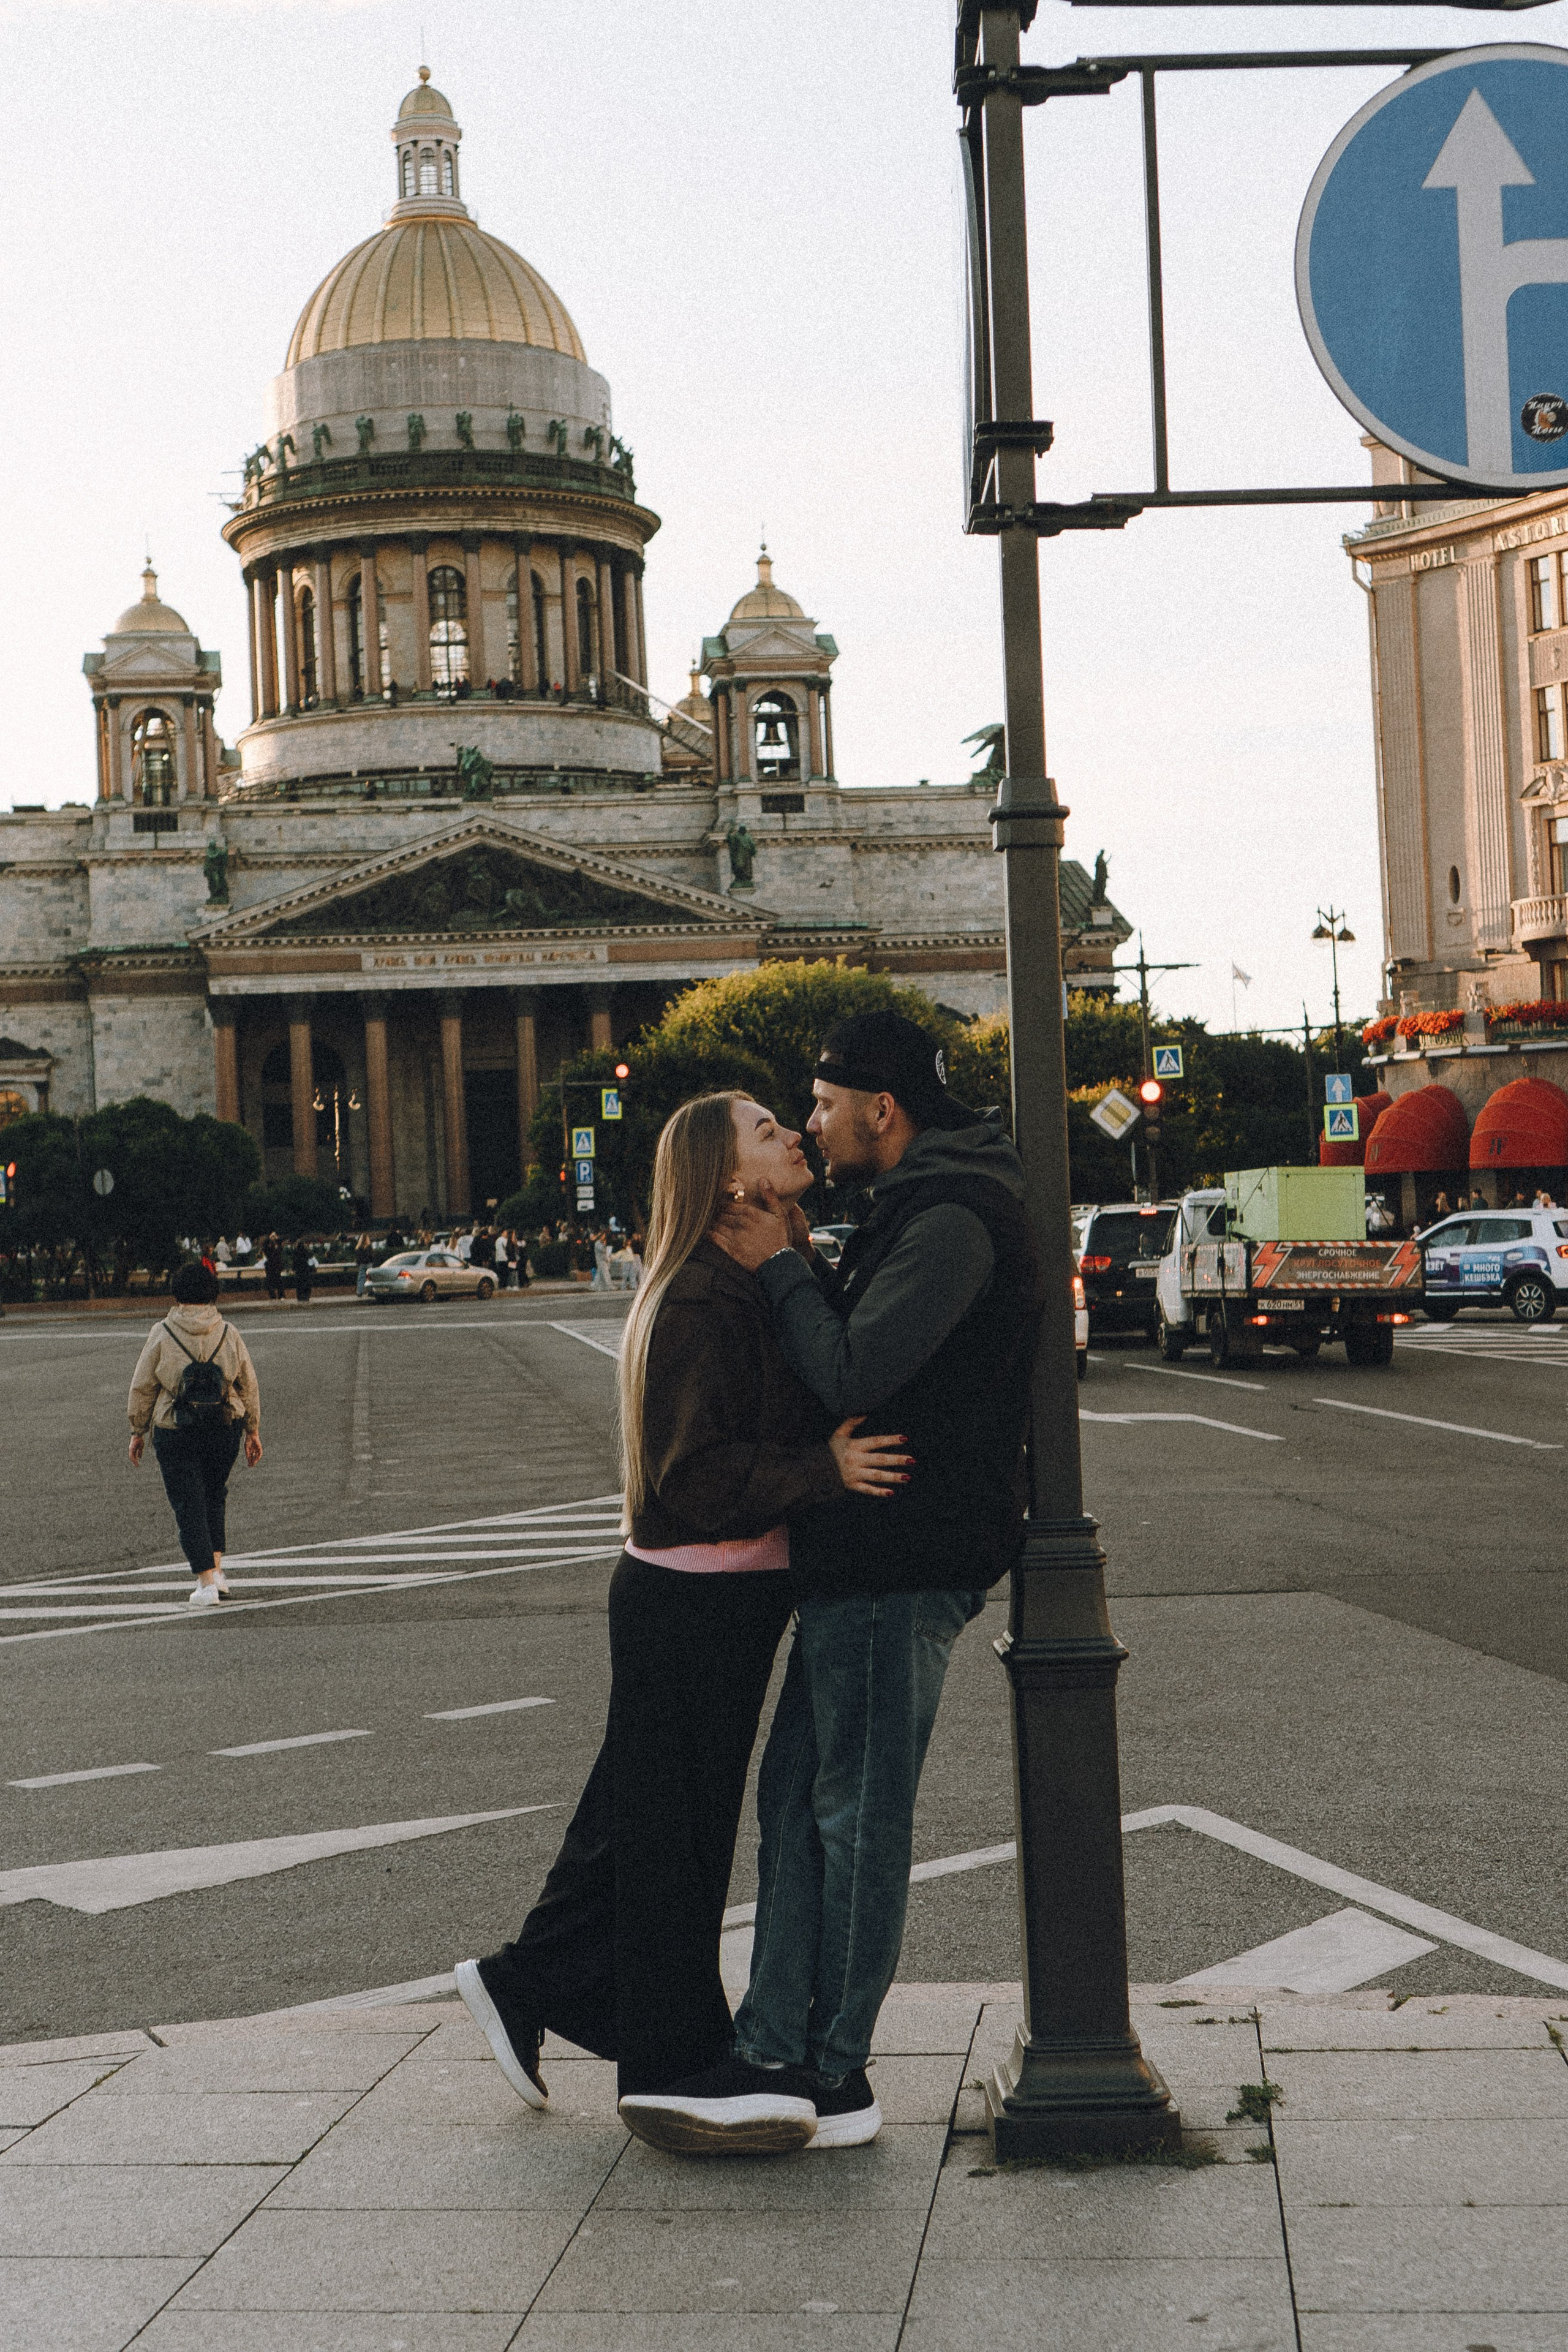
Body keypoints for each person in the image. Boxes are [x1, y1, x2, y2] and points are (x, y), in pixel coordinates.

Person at [453, 1091, 909, 2150]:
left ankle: (526, 1982)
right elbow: (693, 1475)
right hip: (695, 1592)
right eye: (766, 1131)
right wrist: (825, 1471)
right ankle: (668, 2058)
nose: (794, 1134)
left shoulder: (749, 1271)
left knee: (643, 1817)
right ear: (727, 1177)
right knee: (675, 1837)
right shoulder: (702, 1294)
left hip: (718, 1591)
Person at [638, 1010, 1044, 2154]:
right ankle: (774, 2045)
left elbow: (857, 1365)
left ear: (883, 1107)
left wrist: (779, 1267)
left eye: (821, 1106)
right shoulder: (918, 1203)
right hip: (863, 1557)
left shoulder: (952, 1215)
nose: (812, 1126)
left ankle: (834, 2070)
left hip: (899, 1557)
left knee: (854, 1818)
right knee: (798, 1805)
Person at [127, 1261, 262, 1606]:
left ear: (177, 1295)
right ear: (213, 1294)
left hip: (176, 1429)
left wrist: (138, 1430)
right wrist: (252, 1430)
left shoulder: (162, 1332)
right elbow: (247, 1384)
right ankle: (218, 1573)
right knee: (214, 1495)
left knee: (189, 1503)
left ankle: (205, 1584)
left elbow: (143, 1385)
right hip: (224, 1427)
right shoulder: (229, 1332)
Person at [262, 1232, 284, 1302]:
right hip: (270, 1265)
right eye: (273, 1236)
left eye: (275, 1236)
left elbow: (280, 1248)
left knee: (279, 1280)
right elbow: (266, 1251)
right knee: (270, 1281)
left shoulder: (278, 1244)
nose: (274, 1237)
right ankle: (273, 1296)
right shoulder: (267, 1244)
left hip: (277, 1265)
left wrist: (277, 1241)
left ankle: (281, 1296)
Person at [355, 1232, 377, 1298]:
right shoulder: (369, 1247)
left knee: (361, 1279)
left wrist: (359, 1263)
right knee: (370, 1279)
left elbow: (358, 1258)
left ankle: (359, 1292)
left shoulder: (359, 1247)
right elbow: (372, 1256)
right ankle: (370, 1292)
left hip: (362, 1264)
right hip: (369, 1264)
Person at [292, 1238, 313, 1305]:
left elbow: (294, 1261)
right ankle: (306, 1297)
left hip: (298, 1270)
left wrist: (293, 1269)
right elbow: (311, 1255)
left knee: (299, 1284)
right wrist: (307, 1247)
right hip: (305, 1269)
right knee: (306, 1284)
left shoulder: (296, 1252)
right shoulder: (305, 1251)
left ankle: (300, 1297)